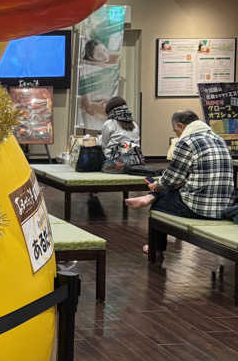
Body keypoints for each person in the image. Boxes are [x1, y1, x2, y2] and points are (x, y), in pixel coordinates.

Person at [126, 109, 235, 254]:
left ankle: (156, 249)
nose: (176, 134)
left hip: (200, 209)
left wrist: (157, 186)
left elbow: (171, 180)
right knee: (173, 189)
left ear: (181, 126)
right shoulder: (218, 139)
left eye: (175, 130)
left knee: (159, 205)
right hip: (225, 205)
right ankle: (149, 197)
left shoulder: (187, 142)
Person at [99, 96, 141, 171]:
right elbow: (136, 144)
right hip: (134, 161)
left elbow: (104, 145)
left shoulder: (109, 123)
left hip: (116, 163)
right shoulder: (135, 124)